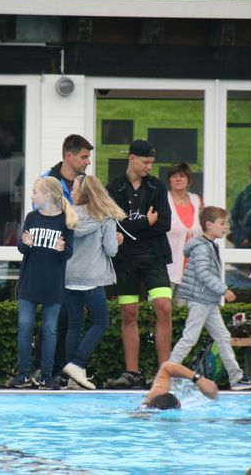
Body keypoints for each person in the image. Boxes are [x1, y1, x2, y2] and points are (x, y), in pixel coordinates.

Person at [168, 206, 251, 391]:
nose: (226, 227)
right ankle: (167, 374)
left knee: (222, 337)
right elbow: (203, 273)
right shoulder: (201, 248)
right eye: (222, 223)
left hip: (208, 300)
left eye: (227, 223)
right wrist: (224, 290)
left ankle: (236, 378)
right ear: (209, 224)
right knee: (190, 338)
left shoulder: (209, 245)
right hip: (201, 299)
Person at [106, 139, 173, 389]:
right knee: (129, 312)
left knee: (163, 308)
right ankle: (132, 372)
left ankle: (164, 370)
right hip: (125, 259)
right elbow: (116, 226)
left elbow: (164, 223)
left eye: (151, 163)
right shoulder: (113, 188)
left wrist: (133, 228)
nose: (149, 167)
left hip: (154, 256)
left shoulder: (157, 187)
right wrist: (146, 222)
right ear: (131, 158)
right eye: (145, 162)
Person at [11, 177, 76, 390]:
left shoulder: (65, 220)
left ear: (47, 195)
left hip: (53, 284)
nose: (32, 196)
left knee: (49, 330)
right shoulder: (31, 217)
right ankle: (23, 374)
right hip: (30, 283)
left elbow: (68, 252)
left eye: (35, 192)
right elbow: (21, 247)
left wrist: (61, 249)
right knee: (25, 327)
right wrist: (26, 244)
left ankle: (47, 375)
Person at [61, 174, 124, 390]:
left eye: (74, 188)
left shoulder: (68, 215)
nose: (72, 191)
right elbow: (111, 251)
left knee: (74, 325)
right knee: (101, 322)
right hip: (93, 279)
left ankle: (73, 379)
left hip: (69, 277)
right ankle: (77, 364)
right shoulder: (105, 217)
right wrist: (117, 241)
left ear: (82, 192)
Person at [39, 134, 94, 382]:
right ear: (69, 156)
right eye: (84, 157)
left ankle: (65, 371)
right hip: (53, 262)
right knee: (55, 319)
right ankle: (46, 370)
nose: (88, 161)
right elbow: (43, 218)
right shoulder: (47, 181)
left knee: (73, 320)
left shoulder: (87, 184)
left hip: (80, 264)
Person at [165, 162, 203, 299]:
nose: (178, 179)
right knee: (162, 309)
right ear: (169, 180)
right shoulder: (163, 200)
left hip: (190, 272)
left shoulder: (197, 201)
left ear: (189, 180)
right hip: (166, 269)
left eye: (181, 176)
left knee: (184, 311)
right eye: (174, 176)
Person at [142, 361, 219, 410]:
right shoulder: (154, 397)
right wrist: (198, 379)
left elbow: (166, 367)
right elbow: (166, 367)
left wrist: (199, 380)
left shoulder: (150, 402)